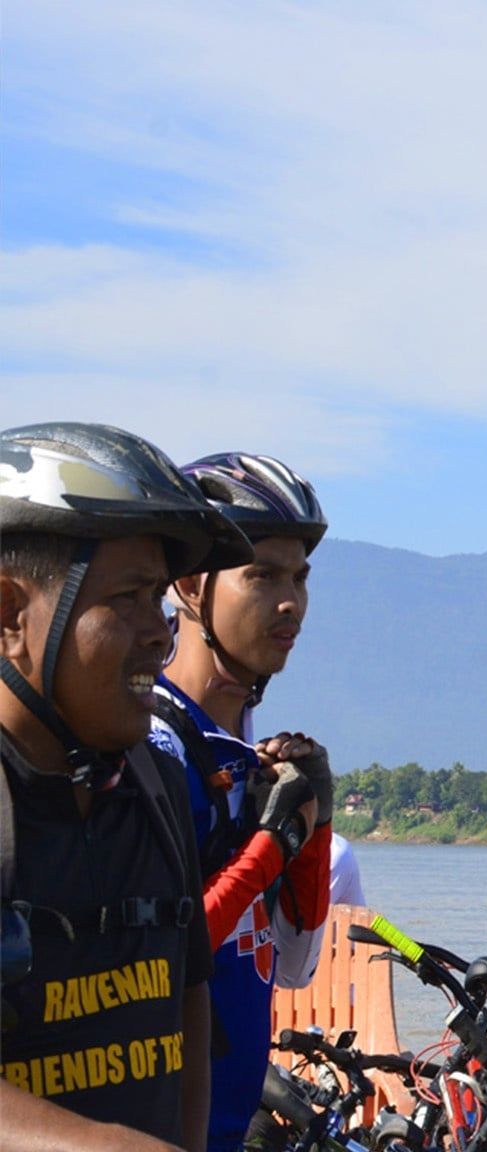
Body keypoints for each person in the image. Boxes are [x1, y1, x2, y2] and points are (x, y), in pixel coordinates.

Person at [0, 421, 254, 1152]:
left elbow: (189, 1002)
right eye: (129, 598)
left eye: (160, 602)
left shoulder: (156, 779)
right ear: (11, 614)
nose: (159, 634)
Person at [147, 453, 333, 1152]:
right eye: (261, 575)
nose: (290, 602)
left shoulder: (241, 748)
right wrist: (268, 850)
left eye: (300, 578)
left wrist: (317, 824)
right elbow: (158, 963)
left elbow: (292, 962)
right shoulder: (154, 747)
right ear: (192, 586)